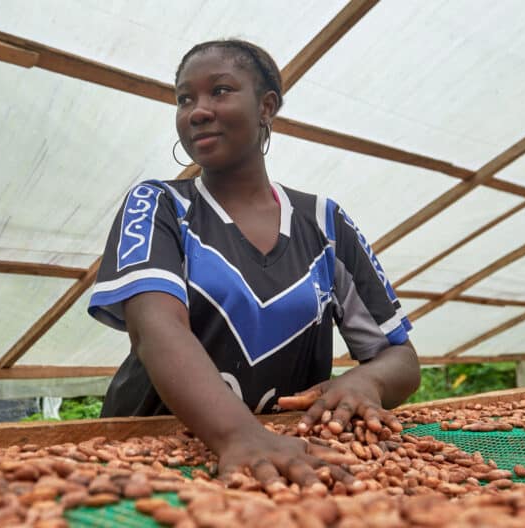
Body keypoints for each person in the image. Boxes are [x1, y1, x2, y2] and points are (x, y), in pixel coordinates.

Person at [88, 39, 420, 487]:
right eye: (184, 99)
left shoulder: (325, 222)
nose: (197, 111)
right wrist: (239, 436)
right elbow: (156, 329)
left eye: (220, 91)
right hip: (152, 462)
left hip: (287, 461)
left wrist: (368, 382)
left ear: (266, 106)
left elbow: (400, 358)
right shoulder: (159, 205)